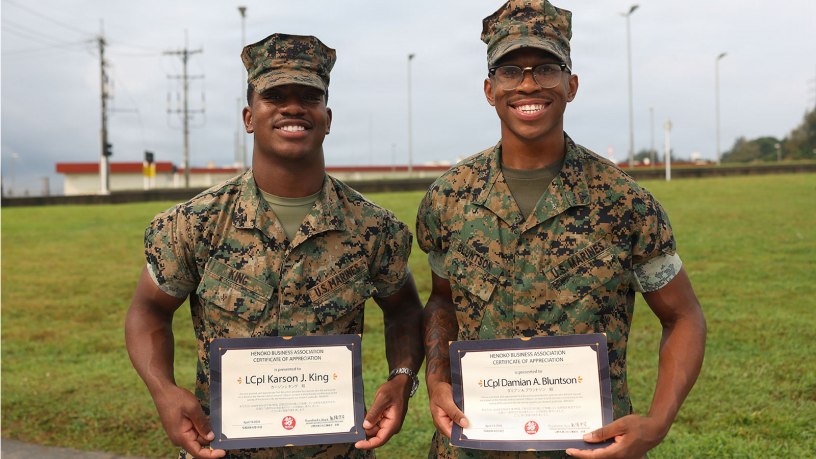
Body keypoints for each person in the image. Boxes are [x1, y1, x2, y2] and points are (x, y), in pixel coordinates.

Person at [416, 1, 707, 458]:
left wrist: (658, 421)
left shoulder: (624, 201)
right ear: (489, 88)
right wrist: (435, 378)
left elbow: (683, 316)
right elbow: (441, 299)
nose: (528, 83)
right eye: (510, 70)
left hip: (590, 448)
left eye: (546, 68)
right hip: (472, 447)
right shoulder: (448, 198)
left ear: (571, 85)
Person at [125, 33, 423, 459]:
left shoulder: (373, 228)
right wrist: (163, 391)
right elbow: (148, 309)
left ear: (327, 116)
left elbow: (405, 311)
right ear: (249, 116)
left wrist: (401, 377)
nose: (293, 107)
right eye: (275, 95)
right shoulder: (194, 224)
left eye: (309, 96)